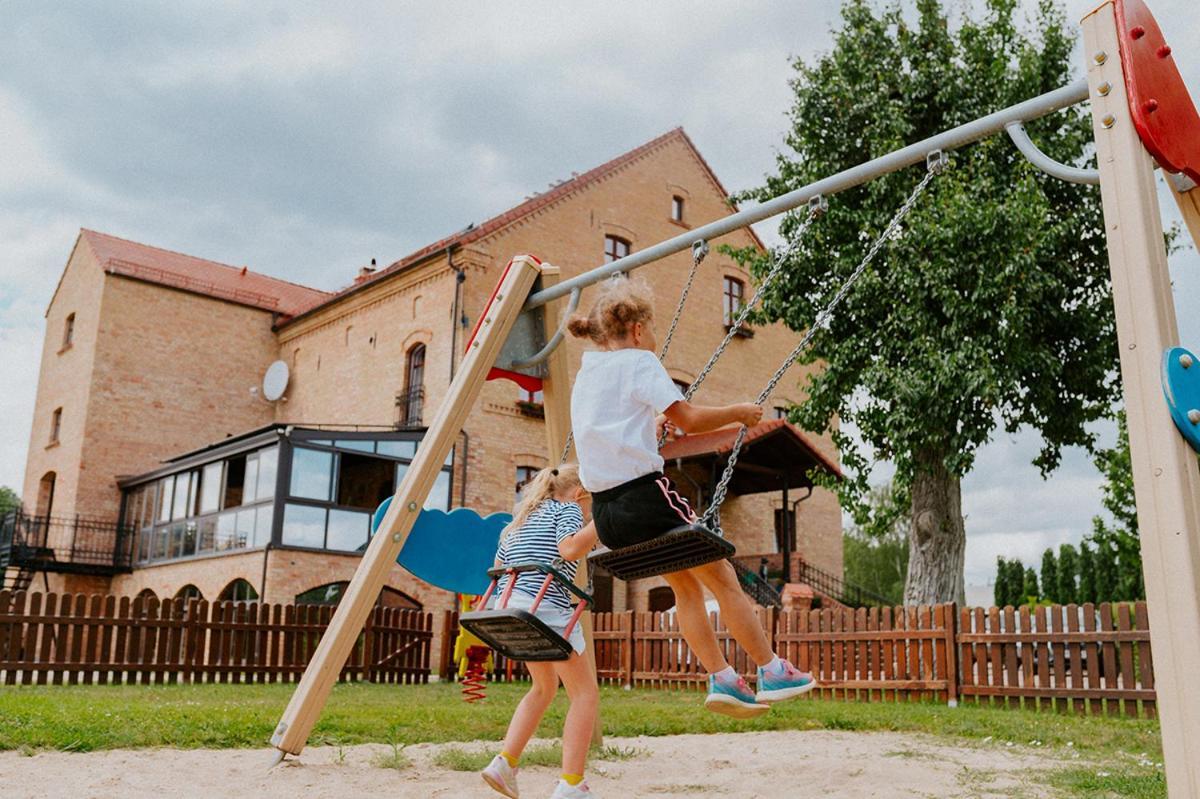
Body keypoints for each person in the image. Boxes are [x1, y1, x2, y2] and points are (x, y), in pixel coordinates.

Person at [564, 274, 815, 718]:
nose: (654, 337)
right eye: (654, 329)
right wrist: (739, 415)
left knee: (685, 586)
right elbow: (692, 419)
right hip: (644, 498)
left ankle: (722, 678)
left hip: (606, 514)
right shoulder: (640, 361)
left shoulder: (587, 374)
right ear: (638, 329)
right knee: (723, 579)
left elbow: (611, 431)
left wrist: (648, 427)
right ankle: (771, 670)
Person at [481, 464, 600, 799]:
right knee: (584, 694)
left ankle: (504, 763)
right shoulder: (568, 510)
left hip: (512, 609)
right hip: (546, 610)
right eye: (589, 502)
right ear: (580, 493)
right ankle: (572, 784)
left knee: (544, 687)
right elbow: (570, 549)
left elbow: (501, 567)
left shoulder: (519, 520)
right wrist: (602, 522)